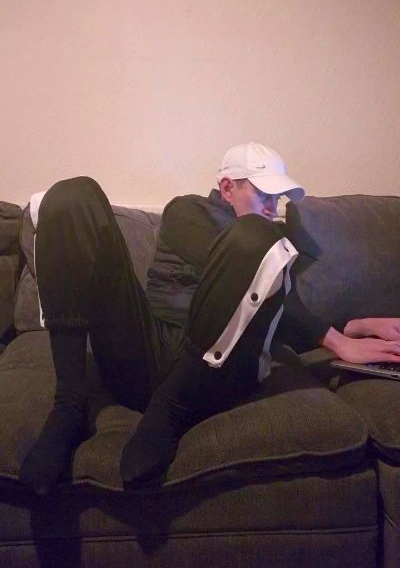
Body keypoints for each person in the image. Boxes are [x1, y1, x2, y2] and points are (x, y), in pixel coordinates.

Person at [19, 142, 400, 494]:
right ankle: (69, 405)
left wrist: (358, 326)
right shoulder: (187, 212)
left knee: (257, 237)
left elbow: (280, 312)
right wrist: (338, 341)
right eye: (264, 194)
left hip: (211, 376)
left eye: (277, 198)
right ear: (227, 187)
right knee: (73, 195)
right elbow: (238, 267)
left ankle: (168, 410)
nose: (273, 207)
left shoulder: (268, 243)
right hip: (148, 348)